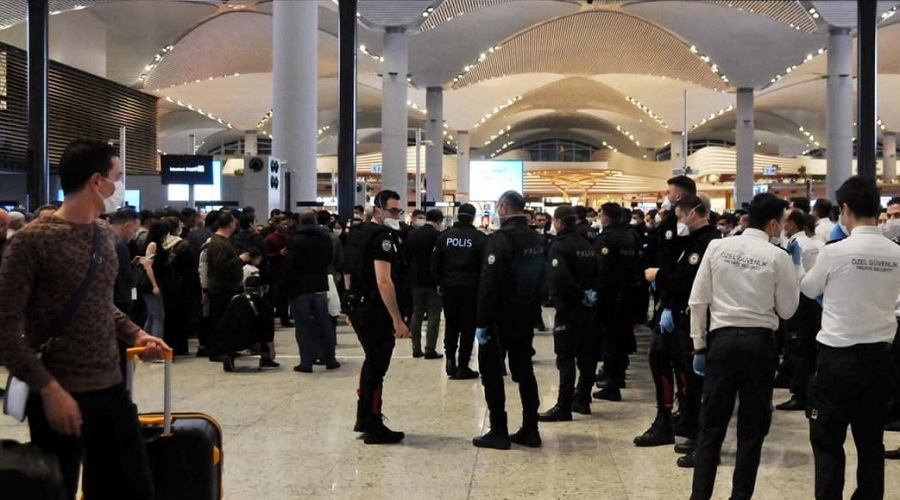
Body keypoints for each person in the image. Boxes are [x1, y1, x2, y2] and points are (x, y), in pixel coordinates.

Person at [0, 138, 168, 500]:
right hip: (60, 393)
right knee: (58, 488)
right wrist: (49, 389)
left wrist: (136, 332)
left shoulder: (103, 235)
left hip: (110, 388)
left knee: (131, 488)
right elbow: (6, 330)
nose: (119, 187)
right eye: (117, 177)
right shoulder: (32, 242)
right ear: (96, 181)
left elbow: (100, 303)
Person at [687, 192, 799, 500]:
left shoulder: (717, 246)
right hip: (759, 345)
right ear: (774, 223)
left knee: (710, 429)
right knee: (751, 431)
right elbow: (788, 310)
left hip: (721, 342)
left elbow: (698, 300)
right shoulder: (778, 256)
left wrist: (698, 344)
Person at [800, 176, 900, 499]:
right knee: (871, 443)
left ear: (845, 210)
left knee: (828, 443)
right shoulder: (896, 253)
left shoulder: (835, 252)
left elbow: (809, 288)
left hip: (837, 362)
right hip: (880, 360)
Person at [639, 195, 720, 465]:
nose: (679, 220)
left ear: (694, 213)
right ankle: (685, 426)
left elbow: (687, 280)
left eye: (680, 214)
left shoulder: (707, 241)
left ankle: (699, 436)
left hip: (695, 318)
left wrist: (658, 275)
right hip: (682, 314)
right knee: (671, 365)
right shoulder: (691, 242)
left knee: (694, 379)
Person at [472, 190, 546, 450]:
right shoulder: (537, 238)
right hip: (525, 313)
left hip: (499, 316)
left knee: (492, 372)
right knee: (524, 370)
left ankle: (499, 430)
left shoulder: (499, 240)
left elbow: (489, 283)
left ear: (503, 208)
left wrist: (481, 321)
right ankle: (531, 428)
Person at [344, 190, 411, 445]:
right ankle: (372, 423)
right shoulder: (382, 238)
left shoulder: (357, 234)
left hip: (360, 307)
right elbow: (384, 281)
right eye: (393, 211)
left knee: (371, 362)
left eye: (399, 211)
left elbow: (348, 272)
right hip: (376, 311)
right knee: (377, 366)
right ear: (379, 209)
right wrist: (397, 319)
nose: (397, 215)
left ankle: (365, 418)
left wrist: (349, 306)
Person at [538, 206, 598, 422]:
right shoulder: (587, 244)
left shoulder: (559, 246)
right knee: (587, 356)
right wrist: (589, 293)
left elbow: (559, 277)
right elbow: (597, 272)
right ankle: (583, 398)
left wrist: (577, 294)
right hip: (589, 309)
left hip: (568, 308)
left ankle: (563, 405)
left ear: (560, 222)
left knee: (565, 358)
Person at [776, 208, 823, 412]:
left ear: (792, 224)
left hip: (800, 299)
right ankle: (808, 392)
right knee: (808, 351)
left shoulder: (796, 244)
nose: (783, 225)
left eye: (785, 221)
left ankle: (800, 395)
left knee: (798, 349)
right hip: (812, 301)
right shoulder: (813, 243)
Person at [593, 202, 641, 403]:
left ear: (605, 217)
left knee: (610, 340)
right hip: (629, 293)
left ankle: (612, 385)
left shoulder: (605, 239)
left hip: (609, 296)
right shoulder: (631, 236)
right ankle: (618, 378)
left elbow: (601, 270)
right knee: (622, 338)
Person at [431, 203, 485, 380]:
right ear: (472, 217)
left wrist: (439, 282)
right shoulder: (479, 238)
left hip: (449, 288)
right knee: (468, 329)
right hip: (471, 289)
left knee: (451, 326)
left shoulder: (444, 237)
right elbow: (484, 266)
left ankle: (450, 359)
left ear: (457, 216)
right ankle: (463, 366)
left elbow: (435, 263)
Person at [285, 210, 339, 373]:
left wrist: (287, 286)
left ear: (300, 222)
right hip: (320, 286)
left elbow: (291, 265)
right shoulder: (325, 238)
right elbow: (329, 259)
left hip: (300, 288)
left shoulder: (295, 240)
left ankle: (306, 362)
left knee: (303, 326)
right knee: (325, 324)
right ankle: (330, 358)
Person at [206, 212, 251, 357]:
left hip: (226, 287)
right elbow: (221, 266)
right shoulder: (218, 243)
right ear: (230, 224)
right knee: (219, 320)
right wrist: (239, 259)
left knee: (225, 320)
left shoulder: (223, 240)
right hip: (221, 288)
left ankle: (226, 348)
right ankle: (217, 350)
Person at [406, 208, 444, 359]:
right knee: (434, 314)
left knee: (417, 313)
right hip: (433, 280)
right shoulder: (438, 236)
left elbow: (407, 256)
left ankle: (416, 348)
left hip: (415, 279)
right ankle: (430, 349)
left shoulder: (413, 234)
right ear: (439, 221)